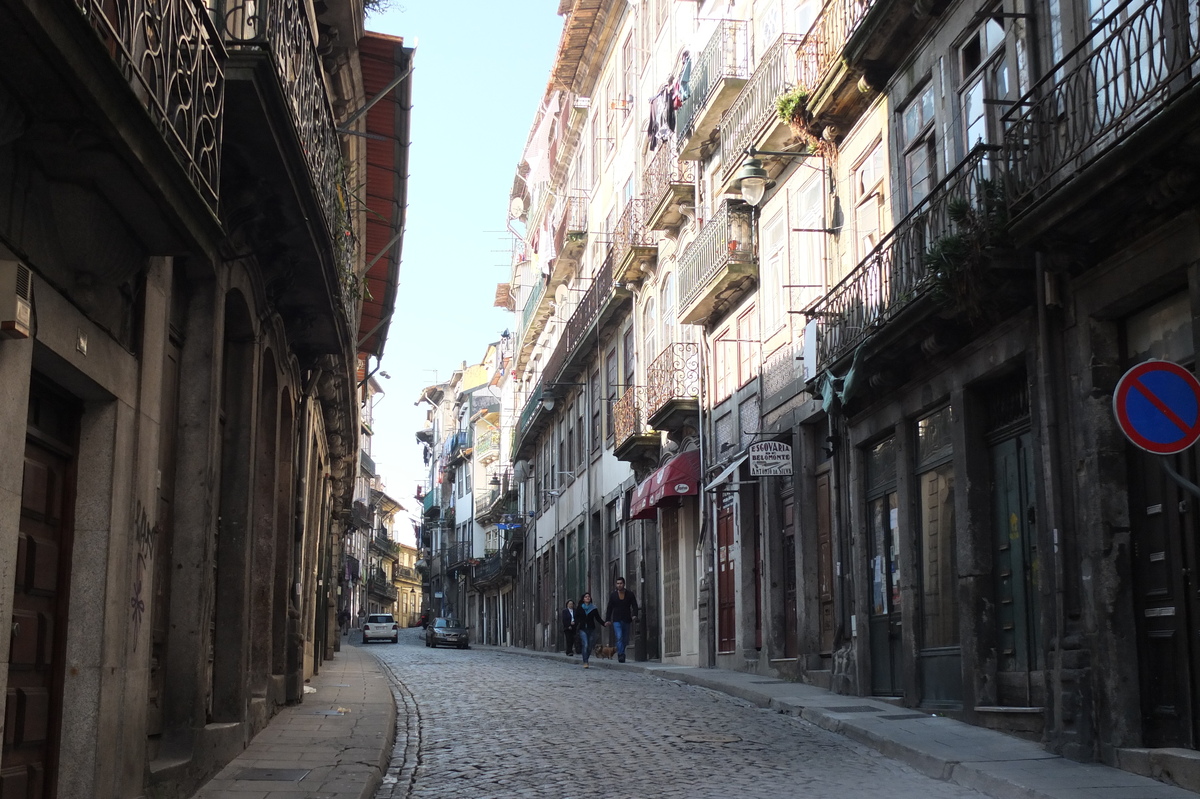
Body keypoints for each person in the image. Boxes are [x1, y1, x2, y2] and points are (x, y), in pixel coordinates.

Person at [605, 576, 639, 663]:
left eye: (621, 583)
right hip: (616, 619)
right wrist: (608, 619)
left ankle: (622, 651)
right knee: (619, 637)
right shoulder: (613, 595)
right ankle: (621, 654)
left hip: (627, 619)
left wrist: (635, 614)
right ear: (616, 585)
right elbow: (609, 608)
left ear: (624, 584)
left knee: (625, 639)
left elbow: (634, 605)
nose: (619, 585)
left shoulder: (630, 594)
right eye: (618, 583)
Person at [577, 592, 604, 668]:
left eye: (588, 596)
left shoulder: (593, 608)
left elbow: (598, 618)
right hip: (582, 629)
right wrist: (574, 624)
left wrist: (604, 624)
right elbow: (576, 618)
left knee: (590, 646)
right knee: (585, 644)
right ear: (583, 599)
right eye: (586, 597)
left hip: (591, 628)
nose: (587, 598)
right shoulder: (580, 607)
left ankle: (586, 658)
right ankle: (585, 662)